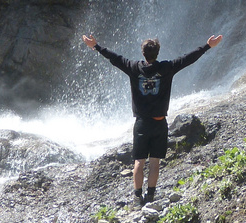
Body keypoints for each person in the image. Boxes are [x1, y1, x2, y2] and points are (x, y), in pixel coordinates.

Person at [82, 32, 223, 206]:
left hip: (141, 123)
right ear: (157, 52)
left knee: (138, 162)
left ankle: (137, 197)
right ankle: (150, 196)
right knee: (154, 162)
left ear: (143, 53)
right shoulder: (167, 68)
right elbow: (188, 59)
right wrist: (208, 45)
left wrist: (95, 46)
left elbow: (114, 58)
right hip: (159, 122)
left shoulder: (133, 67)